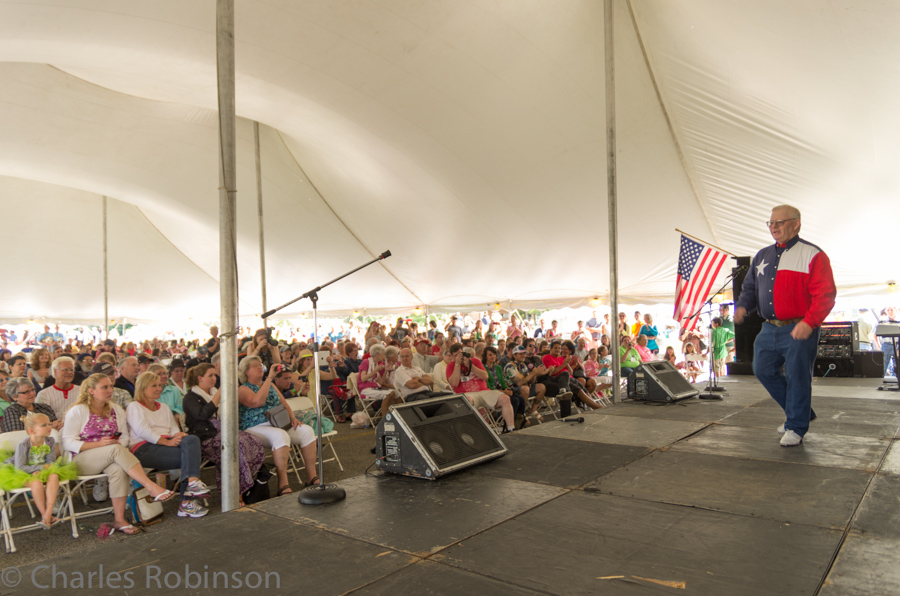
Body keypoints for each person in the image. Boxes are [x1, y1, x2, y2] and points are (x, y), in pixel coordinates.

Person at [735, 204, 836, 447]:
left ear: (796, 223)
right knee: (763, 370)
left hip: (799, 327)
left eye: (779, 222)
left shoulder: (813, 255)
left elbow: (826, 294)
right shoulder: (762, 255)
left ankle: (796, 425)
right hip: (768, 327)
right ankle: (799, 413)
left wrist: (810, 322)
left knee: (797, 377)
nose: (774, 227)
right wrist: (742, 306)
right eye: (771, 223)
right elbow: (750, 288)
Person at [63, 374, 176, 535]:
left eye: (111, 386)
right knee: (115, 451)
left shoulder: (116, 409)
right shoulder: (78, 410)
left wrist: (115, 444)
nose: (110, 390)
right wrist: (99, 445)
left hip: (110, 456)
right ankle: (151, 487)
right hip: (81, 460)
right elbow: (68, 442)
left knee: (118, 468)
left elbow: (124, 438)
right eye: (105, 387)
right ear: (91, 391)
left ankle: (119, 519)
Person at [126, 372, 211, 518]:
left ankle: (192, 483)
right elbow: (143, 431)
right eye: (154, 385)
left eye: (160, 385)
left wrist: (177, 435)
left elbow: (172, 428)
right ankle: (187, 501)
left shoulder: (164, 407)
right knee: (190, 457)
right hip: (144, 448)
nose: (159, 388)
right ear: (142, 388)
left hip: (167, 444)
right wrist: (167, 442)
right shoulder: (134, 406)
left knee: (191, 439)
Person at [238, 356, 319, 495]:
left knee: (306, 431)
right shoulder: (243, 389)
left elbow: (284, 403)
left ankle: (311, 476)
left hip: (278, 422)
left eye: (260, 364)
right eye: (255, 365)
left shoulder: (269, 384)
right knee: (280, 435)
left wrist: (292, 418)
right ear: (246, 372)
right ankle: (283, 483)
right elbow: (258, 402)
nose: (259, 367)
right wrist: (269, 378)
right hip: (256, 426)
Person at [183, 363, 264, 500]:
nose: (214, 378)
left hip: (223, 429)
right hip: (205, 437)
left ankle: (249, 485)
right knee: (234, 445)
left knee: (254, 440)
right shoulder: (190, 397)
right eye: (210, 375)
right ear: (200, 378)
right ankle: (235, 494)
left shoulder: (213, 391)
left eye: (215, 375)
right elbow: (203, 415)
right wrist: (220, 394)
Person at [0, 413, 77, 528]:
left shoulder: (50, 441)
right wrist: (39, 469)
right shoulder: (23, 445)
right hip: (20, 471)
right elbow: (19, 467)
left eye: (49, 424)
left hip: (40, 469)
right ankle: (44, 515)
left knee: (54, 475)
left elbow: (50, 461)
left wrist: (42, 470)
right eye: (44, 425)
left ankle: (48, 513)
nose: (49, 427)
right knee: (36, 483)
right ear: (32, 431)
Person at [446, 344, 516, 433]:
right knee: (467, 401)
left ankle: (511, 429)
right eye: (456, 355)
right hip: (467, 394)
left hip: (484, 392)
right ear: (452, 356)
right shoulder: (450, 366)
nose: (460, 357)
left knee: (505, 398)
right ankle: (472, 432)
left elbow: (485, 377)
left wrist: (470, 366)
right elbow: (454, 384)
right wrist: (457, 365)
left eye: (461, 354)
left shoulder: (475, 361)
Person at [36, 356, 80, 422]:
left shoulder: (81, 391)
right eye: (65, 369)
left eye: (71, 370)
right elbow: (42, 419)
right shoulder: (44, 394)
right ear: (55, 371)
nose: (70, 372)